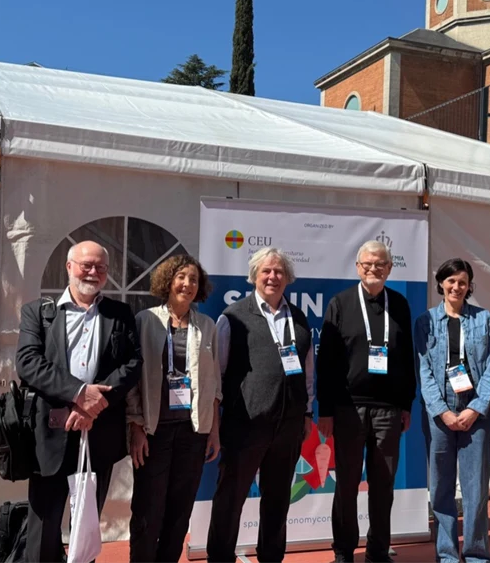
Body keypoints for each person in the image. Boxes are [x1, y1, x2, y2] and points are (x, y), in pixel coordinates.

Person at [15, 240, 142, 563]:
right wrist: (78, 394)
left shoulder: (121, 314)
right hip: (51, 433)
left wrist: (93, 405)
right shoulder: (38, 313)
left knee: (87, 522)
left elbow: (132, 365)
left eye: (100, 267)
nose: (93, 272)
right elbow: (28, 363)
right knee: (43, 521)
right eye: (86, 264)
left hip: (99, 433)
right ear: (69, 267)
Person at [206, 247, 315, 563]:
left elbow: (308, 371)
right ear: (254, 275)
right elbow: (217, 376)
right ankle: (220, 558)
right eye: (266, 271)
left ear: (288, 278)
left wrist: (306, 411)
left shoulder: (298, 317)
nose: (273, 277)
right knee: (230, 498)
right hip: (245, 426)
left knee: (278, 499)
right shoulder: (233, 317)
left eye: (279, 271)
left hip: (289, 426)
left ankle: (271, 557)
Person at [317, 240, 415, 563]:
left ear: (389, 268)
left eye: (381, 264)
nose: (374, 269)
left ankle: (377, 549)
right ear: (358, 267)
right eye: (368, 264)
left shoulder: (399, 304)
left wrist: (406, 404)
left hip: (388, 410)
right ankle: (344, 550)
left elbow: (406, 359)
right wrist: (326, 409)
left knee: (383, 484)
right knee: (346, 482)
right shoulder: (341, 303)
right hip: (348, 409)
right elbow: (326, 362)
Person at [127, 254, 222, 563]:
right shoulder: (145, 321)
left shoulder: (206, 326)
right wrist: (136, 427)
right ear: (168, 281)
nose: (188, 284)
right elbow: (132, 382)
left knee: (180, 511)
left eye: (194, 279)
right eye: (182, 277)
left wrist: (214, 431)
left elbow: (214, 385)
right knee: (147, 509)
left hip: (193, 432)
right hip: (154, 432)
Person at [413, 258, 490, 563]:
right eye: (451, 281)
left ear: (469, 286)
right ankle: (447, 554)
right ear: (441, 284)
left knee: (475, 490)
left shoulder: (484, 319)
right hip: (439, 418)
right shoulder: (425, 322)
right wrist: (442, 411)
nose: (456, 287)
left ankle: (476, 554)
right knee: (441, 488)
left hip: (475, 416)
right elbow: (422, 369)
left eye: (462, 282)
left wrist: (476, 408)